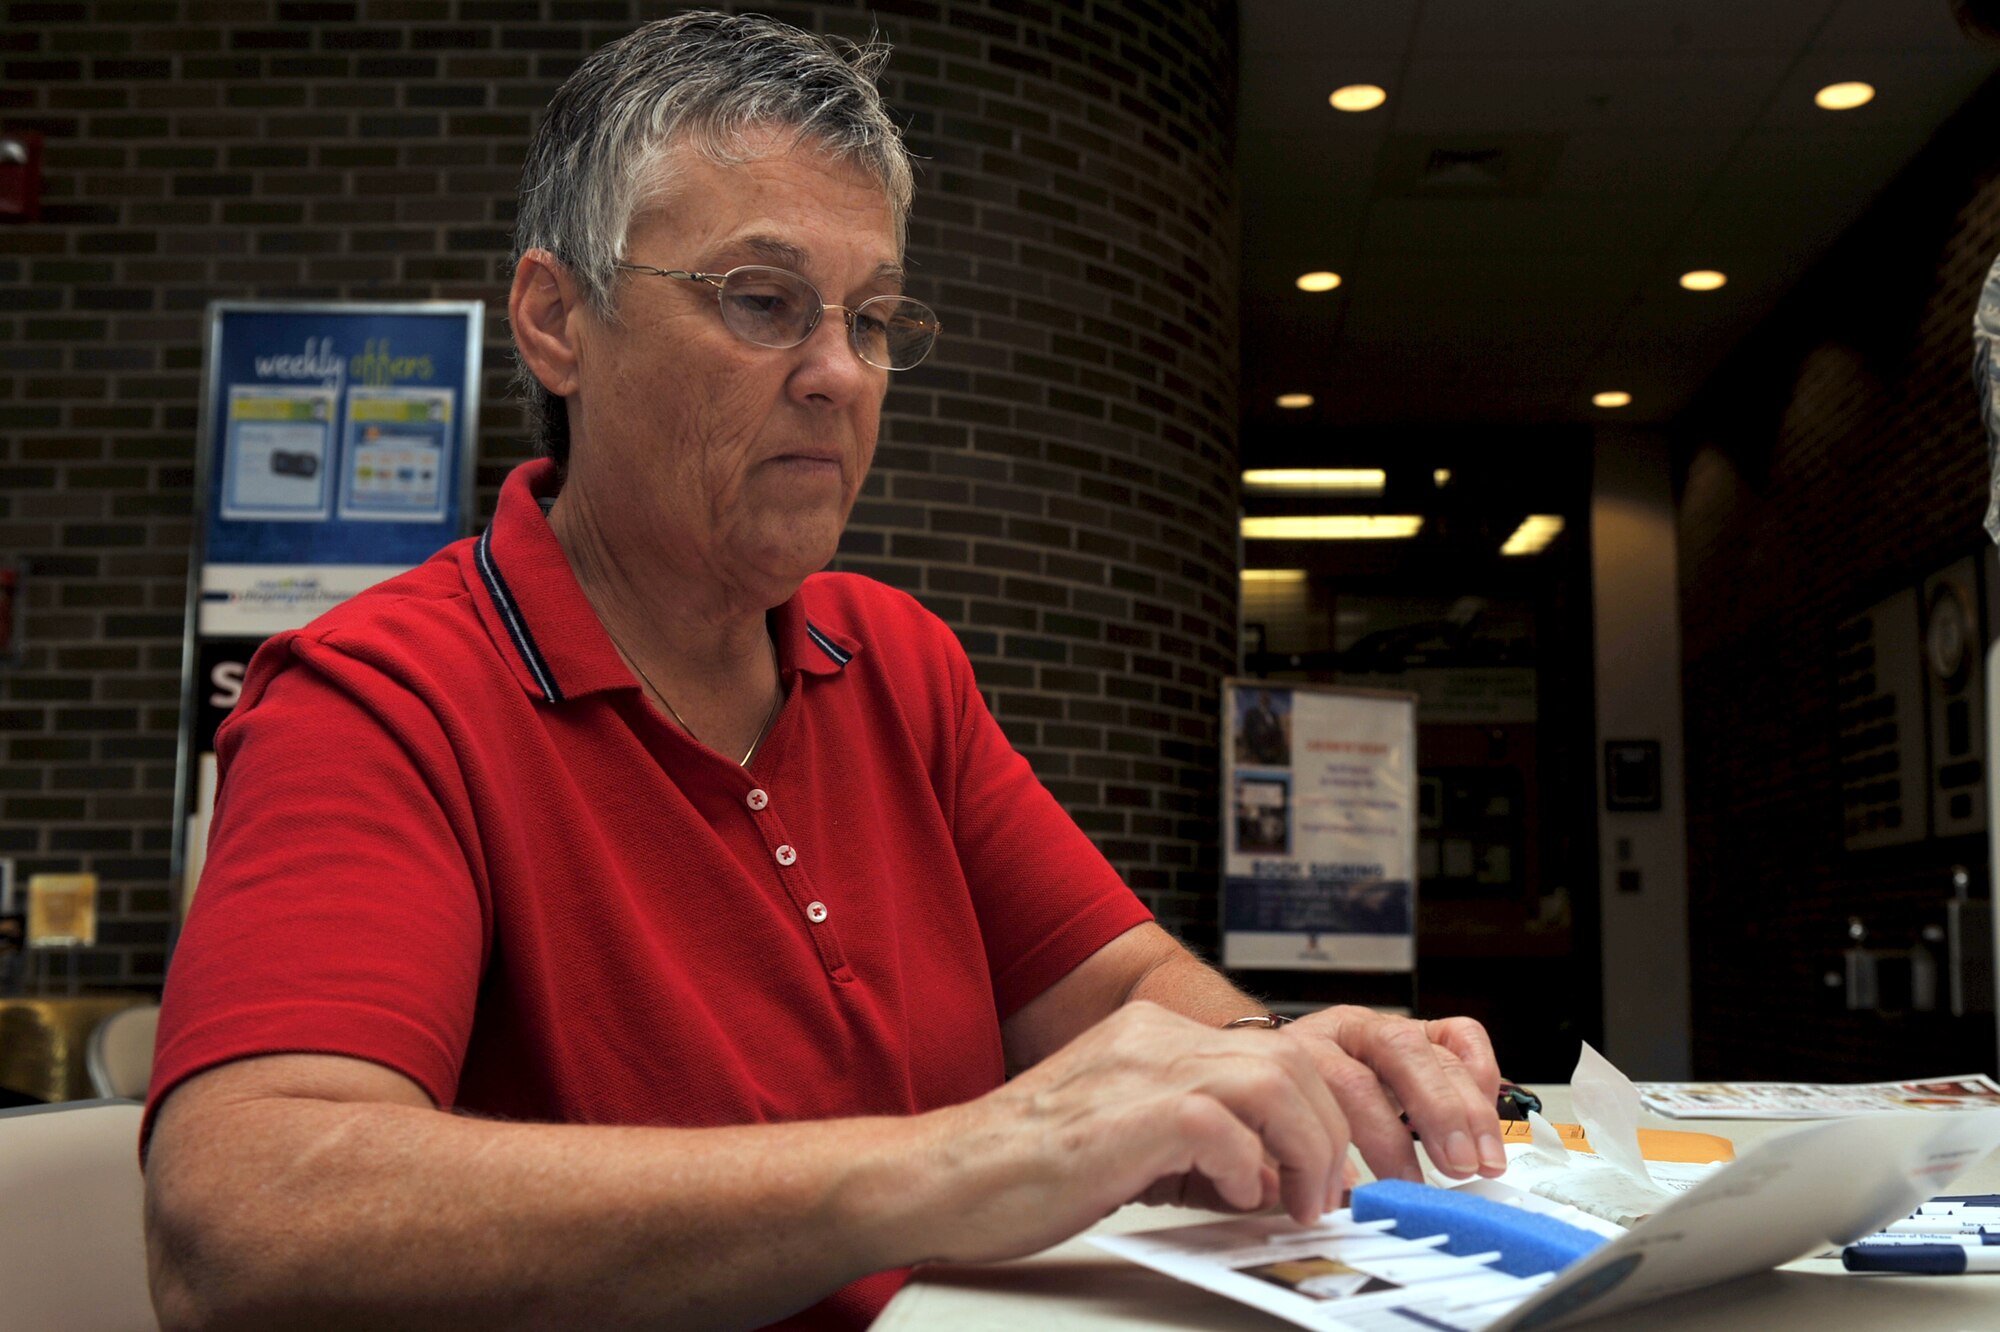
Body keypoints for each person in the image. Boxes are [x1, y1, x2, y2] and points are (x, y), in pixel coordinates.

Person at [141, 14, 1506, 1331]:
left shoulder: (896, 661)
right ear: (558, 320)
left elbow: (1123, 991)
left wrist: (1287, 1055)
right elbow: (243, 1221)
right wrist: (944, 1166)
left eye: (873, 318)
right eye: (764, 301)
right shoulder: (381, 694)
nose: (840, 375)